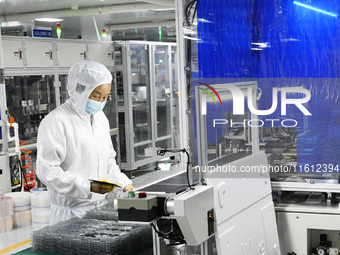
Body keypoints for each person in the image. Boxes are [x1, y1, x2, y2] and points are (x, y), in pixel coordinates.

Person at [36, 61, 134, 225]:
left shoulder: (100, 118)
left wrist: (123, 184)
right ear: (79, 89)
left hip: (100, 209)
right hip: (70, 215)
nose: (100, 101)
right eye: (96, 95)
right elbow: (48, 172)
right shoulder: (57, 121)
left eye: (105, 97)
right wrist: (88, 186)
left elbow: (108, 160)